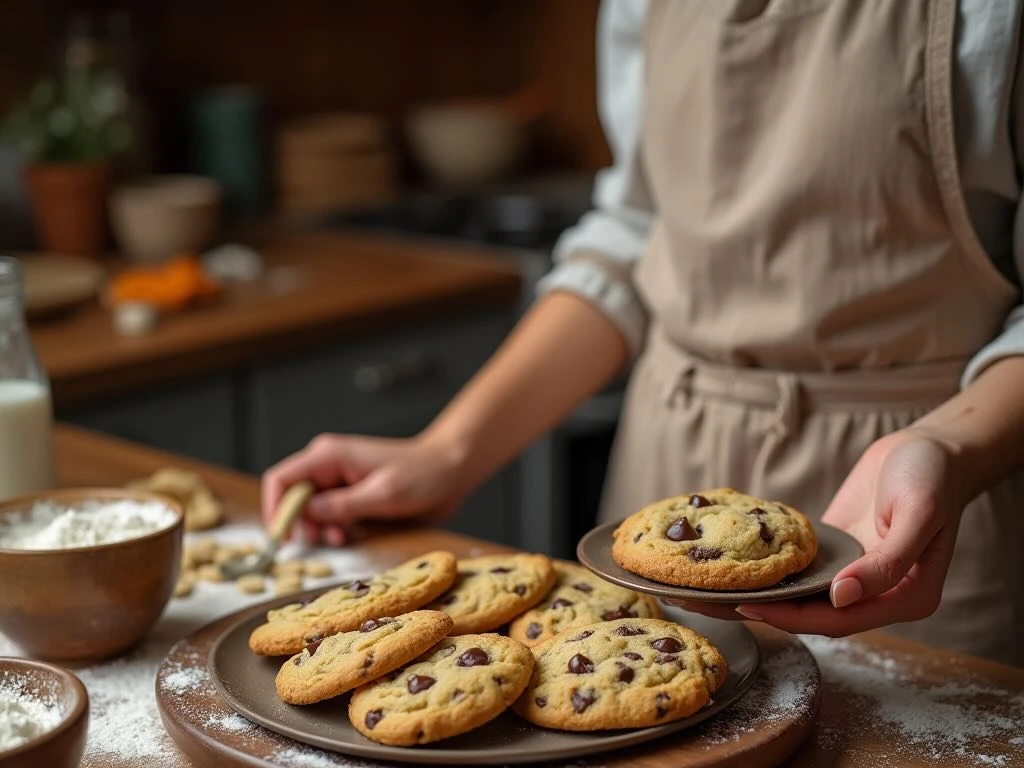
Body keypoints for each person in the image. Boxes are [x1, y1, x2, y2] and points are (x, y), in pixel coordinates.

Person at [263, 0, 1024, 667]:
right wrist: (447, 452)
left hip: (924, 492)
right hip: (670, 456)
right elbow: (635, 242)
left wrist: (952, 450)